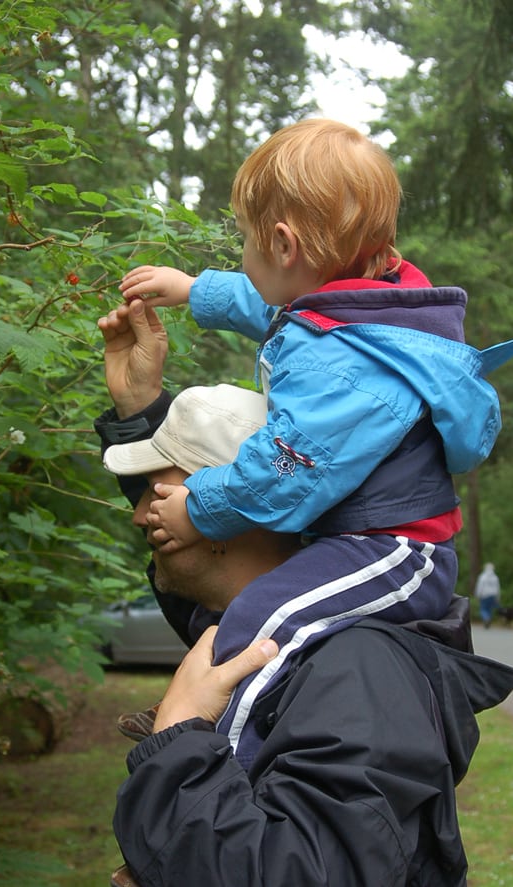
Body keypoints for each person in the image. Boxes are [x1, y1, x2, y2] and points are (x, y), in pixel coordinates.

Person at [94, 298, 513, 887]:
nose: (142, 516)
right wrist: (140, 408)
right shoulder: (263, 635)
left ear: (238, 514)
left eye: (161, 493)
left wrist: (176, 745)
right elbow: (185, 556)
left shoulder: (357, 669)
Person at [115, 118, 513, 715]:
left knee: (260, 623)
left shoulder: (344, 367)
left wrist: (200, 505)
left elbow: (288, 467)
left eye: (245, 239)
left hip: (390, 551)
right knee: (253, 616)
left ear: (280, 244)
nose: (243, 254)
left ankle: (219, 746)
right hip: (362, 539)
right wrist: (198, 290)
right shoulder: (360, 312)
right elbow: (281, 309)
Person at [475, 562, 501, 628]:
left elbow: (480, 586)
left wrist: (478, 595)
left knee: (483, 609)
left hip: (484, 595)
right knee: (489, 609)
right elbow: (498, 588)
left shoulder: (482, 577)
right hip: (493, 595)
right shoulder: (495, 577)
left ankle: (486, 618)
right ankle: (488, 619)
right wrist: (498, 597)